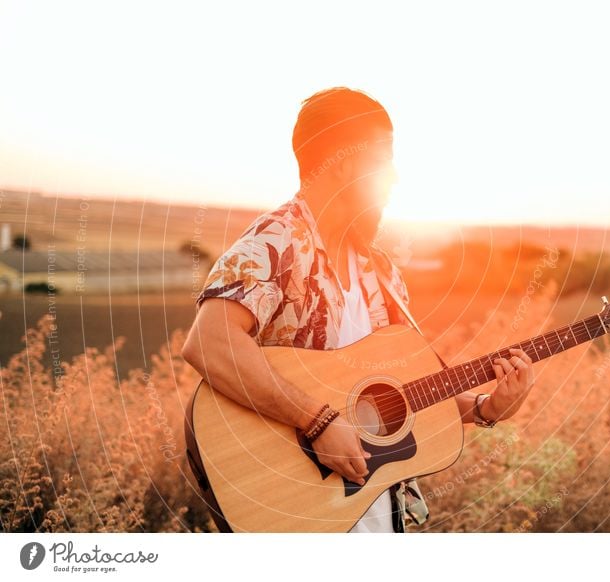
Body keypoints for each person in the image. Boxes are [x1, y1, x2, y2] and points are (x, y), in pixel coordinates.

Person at [181, 87, 535, 533]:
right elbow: (209, 343)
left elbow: (398, 399)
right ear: (346, 161)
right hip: (296, 514)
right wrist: (316, 419)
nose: (395, 177)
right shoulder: (276, 241)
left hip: (374, 515)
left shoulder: (378, 270)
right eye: (384, 158)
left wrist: (484, 407)